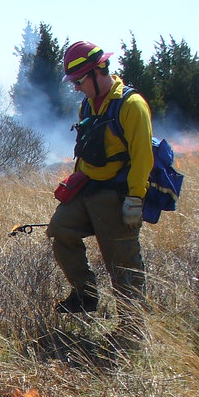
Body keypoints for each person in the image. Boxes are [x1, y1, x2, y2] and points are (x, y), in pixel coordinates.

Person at [47, 41, 154, 323]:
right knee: (61, 230)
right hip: (88, 188)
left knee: (122, 266)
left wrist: (135, 198)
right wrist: (75, 181)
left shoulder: (131, 105)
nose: (76, 87)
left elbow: (143, 157)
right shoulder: (88, 105)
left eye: (79, 80)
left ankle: (132, 332)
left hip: (117, 195)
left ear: (98, 71)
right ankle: (86, 295)